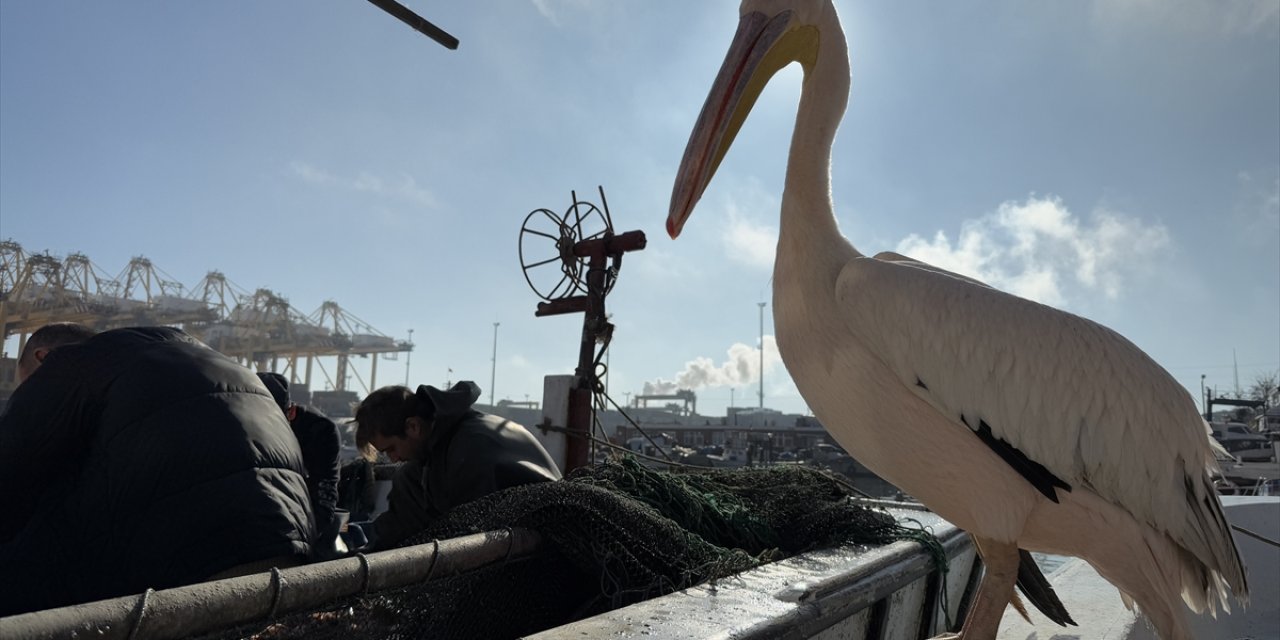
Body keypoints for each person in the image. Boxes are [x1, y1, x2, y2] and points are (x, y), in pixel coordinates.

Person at [0, 324, 315, 615]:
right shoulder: (218, 363)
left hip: (176, 576)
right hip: (287, 557)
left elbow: (10, 465)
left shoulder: (69, 365)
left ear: (43, 357)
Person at [355, 380, 561, 550]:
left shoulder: (472, 448)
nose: (393, 459)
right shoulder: (430, 459)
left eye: (391, 449)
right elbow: (402, 521)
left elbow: (475, 538)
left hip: (540, 554)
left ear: (413, 426)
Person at [256, 372, 344, 559]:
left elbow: (325, 491)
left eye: (275, 422)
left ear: (292, 413)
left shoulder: (320, 431)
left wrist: (306, 542)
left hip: (305, 509)